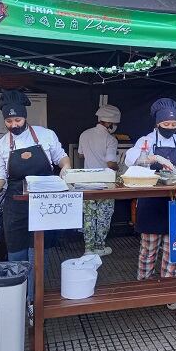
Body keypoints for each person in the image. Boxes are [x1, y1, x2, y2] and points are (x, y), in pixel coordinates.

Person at [0, 90, 71, 310]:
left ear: (25, 117)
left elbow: (61, 157)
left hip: (43, 203)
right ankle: (18, 300)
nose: (14, 124)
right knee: (16, 252)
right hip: (16, 205)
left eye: (18, 119)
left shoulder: (45, 135)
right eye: (9, 121)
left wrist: (66, 167)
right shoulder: (1, 146)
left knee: (38, 253)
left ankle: (35, 300)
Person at [124, 98, 176, 304]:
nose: (170, 128)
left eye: (173, 125)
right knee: (148, 249)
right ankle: (144, 289)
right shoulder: (147, 139)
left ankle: (169, 290)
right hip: (151, 200)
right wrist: (154, 158)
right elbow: (130, 157)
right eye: (166, 125)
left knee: (173, 249)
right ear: (157, 124)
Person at [78, 104, 121, 256]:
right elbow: (110, 162)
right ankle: (100, 247)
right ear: (109, 123)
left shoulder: (84, 134)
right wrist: (118, 166)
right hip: (105, 183)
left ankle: (88, 249)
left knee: (89, 216)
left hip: (86, 182)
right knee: (104, 215)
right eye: (114, 124)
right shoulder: (111, 139)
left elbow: (81, 155)